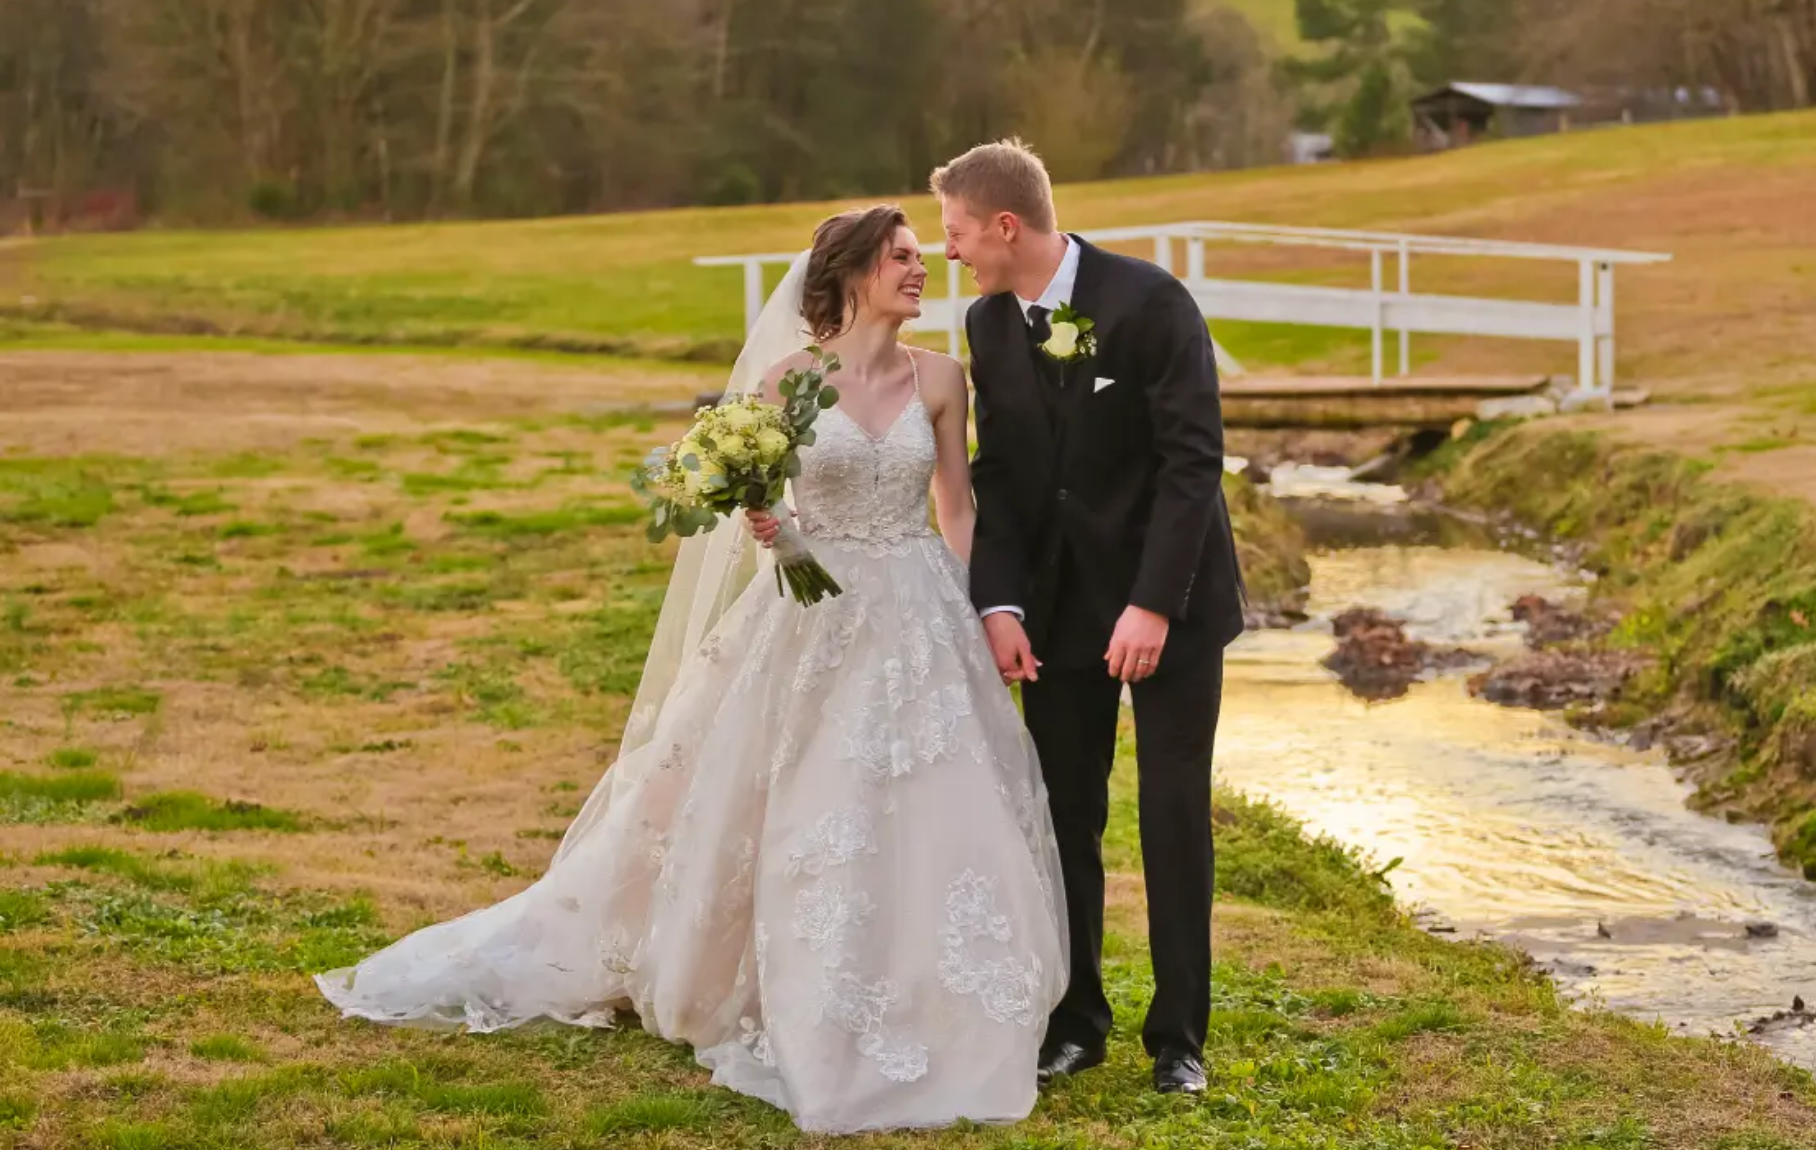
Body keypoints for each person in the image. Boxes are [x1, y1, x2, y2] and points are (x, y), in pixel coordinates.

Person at [315, 205, 1068, 1135]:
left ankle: (931, 991)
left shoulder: (945, 379)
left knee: (935, 799)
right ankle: (783, 977)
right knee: (806, 798)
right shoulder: (792, 381)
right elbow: (762, 502)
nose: (922, 270)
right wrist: (773, 528)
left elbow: (957, 508)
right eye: (903, 258)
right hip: (815, 608)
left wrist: (974, 604)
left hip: (916, 611)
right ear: (852, 274)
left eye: (922, 255)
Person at [934, 139, 1243, 1096]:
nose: (949, 252)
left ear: (1006, 225)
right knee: (1064, 814)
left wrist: (1153, 603)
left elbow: (1194, 463)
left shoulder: (1152, 302)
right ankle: (1079, 1020)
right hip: (1059, 616)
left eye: (955, 233)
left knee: (1171, 813)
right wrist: (1001, 600)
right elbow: (1005, 480)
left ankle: (1179, 1039)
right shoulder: (988, 326)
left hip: (1173, 605)